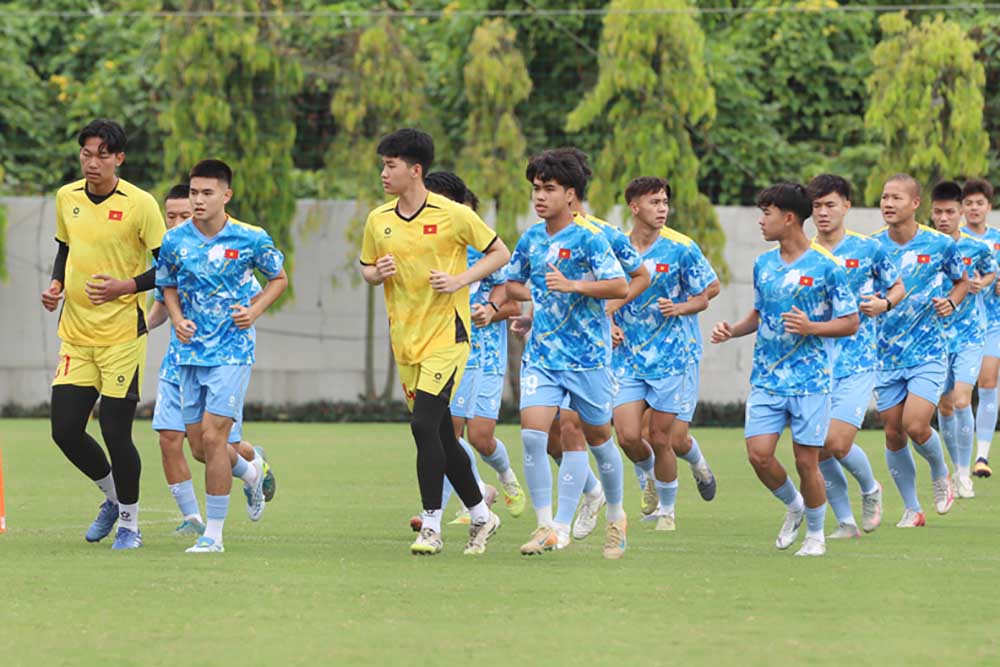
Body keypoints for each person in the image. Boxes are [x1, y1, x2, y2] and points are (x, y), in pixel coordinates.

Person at [359, 129, 509, 556]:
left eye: (391, 165)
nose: (384, 173)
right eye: (383, 164)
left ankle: (431, 525)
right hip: (406, 340)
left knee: (423, 425)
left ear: (415, 169)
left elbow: (501, 253)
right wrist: (377, 273)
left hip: (448, 335)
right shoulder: (378, 219)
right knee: (443, 435)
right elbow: (366, 269)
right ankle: (482, 515)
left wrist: (460, 280)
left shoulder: (453, 214)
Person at [712, 182, 858, 557]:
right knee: (758, 455)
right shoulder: (763, 263)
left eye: (767, 213)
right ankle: (794, 504)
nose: (761, 221)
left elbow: (850, 322)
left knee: (806, 460)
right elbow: (760, 315)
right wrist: (732, 331)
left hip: (810, 380)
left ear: (789, 218)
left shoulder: (828, 267)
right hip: (767, 378)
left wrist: (813, 328)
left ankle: (816, 534)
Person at [41, 119, 166, 550]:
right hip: (76, 334)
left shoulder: (140, 204)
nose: (92, 163)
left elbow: (167, 266)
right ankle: (113, 497)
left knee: (115, 432)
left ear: (119, 158)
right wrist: (56, 285)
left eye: (101, 155)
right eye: (86, 154)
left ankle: (130, 525)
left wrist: (125, 286)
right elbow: (65, 248)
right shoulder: (67, 197)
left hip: (121, 338)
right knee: (65, 430)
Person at [157, 159, 287, 553]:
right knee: (199, 447)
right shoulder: (175, 240)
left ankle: (213, 535)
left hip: (232, 352)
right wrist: (177, 319)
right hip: (188, 354)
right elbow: (167, 284)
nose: (198, 200)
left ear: (225, 195)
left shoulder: (251, 238)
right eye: (194, 192)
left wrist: (254, 310)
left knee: (215, 438)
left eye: (207, 193)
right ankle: (250, 472)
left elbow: (279, 279)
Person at [506, 150, 629, 559]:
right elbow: (511, 285)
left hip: (588, 359)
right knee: (532, 434)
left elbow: (619, 286)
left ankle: (615, 515)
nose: (539, 197)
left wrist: (574, 286)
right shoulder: (530, 238)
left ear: (570, 194)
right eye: (536, 189)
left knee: (597, 438)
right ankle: (548, 526)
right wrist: (534, 304)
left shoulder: (590, 238)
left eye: (549, 189)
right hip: (542, 355)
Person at [611, 177, 714, 532]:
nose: (662, 209)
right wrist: (609, 322)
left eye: (665, 202)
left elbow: (707, 292)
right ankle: (649, 479)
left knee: (665, 438)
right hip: (627, 356)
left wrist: (681, 307)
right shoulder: (618, 249)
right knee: (627, 435)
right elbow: (605, 294)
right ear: (634, 207)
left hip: (673, 356)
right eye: (654, 202)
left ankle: (669, 508)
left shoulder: (681, 248)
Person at [807, 174, 903, 538]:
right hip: (814, 365)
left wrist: (884, 303)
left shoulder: (868, 249)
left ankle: (870, 488)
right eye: (816, 206)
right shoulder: (806, 254)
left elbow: (898, 285)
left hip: (858, 361)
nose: (823, 212)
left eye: (830, 204)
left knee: (836, 442)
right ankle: (845, 520)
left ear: (847, 206)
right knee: (816, 448)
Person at [870, 174, 969, 527]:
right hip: (883, 356)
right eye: (884, 197)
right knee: (893, 432)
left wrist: (952, 303)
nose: (888, 204)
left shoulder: (940, 245)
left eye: (896, 198)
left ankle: (941, 475)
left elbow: (962, 282)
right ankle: (912, 509)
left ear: (914, 204)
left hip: (927, 350)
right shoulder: (871, 248)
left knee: (915, 424)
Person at [929, 180, 996, 499]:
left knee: (960, 399)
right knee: (943, 406)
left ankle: (963, 471)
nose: (944, 218)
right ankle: (954, 466)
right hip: (934, 338)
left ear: (960, 214)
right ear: (930, 213)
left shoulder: (977, 246)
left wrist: (982, 282)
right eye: (938, 212)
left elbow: (991, 271)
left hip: (970, 333)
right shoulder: (925, 248)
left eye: (950, 212)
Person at [961, 178, 1000, 478]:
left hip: (993, 324)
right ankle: (957, 461)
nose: (974, 208)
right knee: (953, 399)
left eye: (979, 203)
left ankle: (982, 457)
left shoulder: (998, 240)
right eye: (969, 203)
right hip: (958, 325)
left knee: (988, 383)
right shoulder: (952, 239)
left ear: (989, 206)